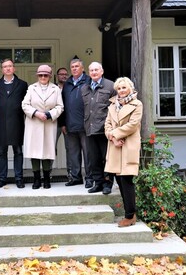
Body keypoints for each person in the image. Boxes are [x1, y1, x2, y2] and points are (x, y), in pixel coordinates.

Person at [104, 77, 143, 227]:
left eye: (124, 88)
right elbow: (107, 123)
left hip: (128, 144)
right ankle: (130, 214)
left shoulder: (137, 104)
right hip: (115, 145)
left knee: (126, 181)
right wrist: (112, 137)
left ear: (130, 88)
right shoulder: (113, 104)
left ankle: (130, 215)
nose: (121, 91)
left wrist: (116, 134)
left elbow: (133, 125)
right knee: (119, 181)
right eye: (119, 88)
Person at [22, 65, 64, 189]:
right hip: (34, 123)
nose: (43, 77)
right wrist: (36, 113)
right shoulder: (31, 88)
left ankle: (46, 179)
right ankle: (36, 179)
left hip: (48, 123)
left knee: (47, 151)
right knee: (34, 152)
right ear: (38, 76)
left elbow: (60, 106)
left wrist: (49, 114)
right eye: (41, 75)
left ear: (50, 76)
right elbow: (25, 104)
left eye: (46, 75)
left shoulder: (55, 89)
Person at [0, 58, 28, 188]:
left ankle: (19, 178)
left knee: (18, 151)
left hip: (17, 122)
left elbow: (26, 103)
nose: (7, 68)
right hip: (1, 123)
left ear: (14, 68)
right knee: (2, 152)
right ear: (2, 69)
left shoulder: (23, 84)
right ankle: (2, 178)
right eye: (5, 66)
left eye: (10, 66)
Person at [81, 61, 117, 195]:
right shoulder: (84, 88)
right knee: (93, 158)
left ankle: (107, 184)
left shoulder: (111, 86)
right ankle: (98, 183)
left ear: (102, 71)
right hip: (89, 129)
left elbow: (116, 108)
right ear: (89, 73)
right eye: (92, 70)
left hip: (105, 130)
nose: (94, 72)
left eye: (96, 70)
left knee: (107, 158)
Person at [59, 58, 91, 187]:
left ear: (82, 68)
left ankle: (89, 178)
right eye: (72, 67)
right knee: (73, 153)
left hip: (85, 125)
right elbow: (62, 105)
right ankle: (76, 177)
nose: (74, 68)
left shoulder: (89, 81)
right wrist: (63, 123)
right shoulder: (67, 84)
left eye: (77, 66)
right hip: (70, 125)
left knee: (88, 154)